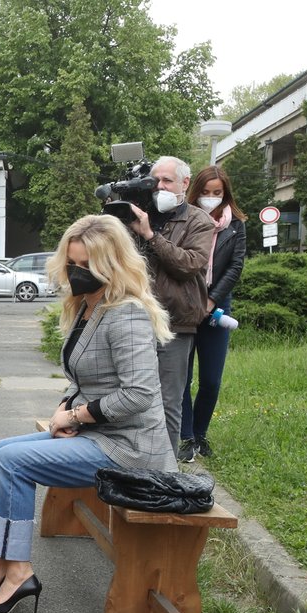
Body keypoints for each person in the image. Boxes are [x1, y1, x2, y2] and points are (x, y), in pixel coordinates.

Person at [0, 215, 176, 613]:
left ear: (110, 266)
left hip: (129, 449)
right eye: (72, 264)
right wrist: (68, 407)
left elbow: (140, 393)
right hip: (98, 434)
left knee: (13, 460)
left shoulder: (126, 313)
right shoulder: (88, 307)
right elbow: (90, 377)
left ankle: (19, 570)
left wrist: (78, 415)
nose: (76, 273)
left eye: (84, 267)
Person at [125, 155, 214, 455]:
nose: (159, 187)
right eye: (155, 181)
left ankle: (165, 472)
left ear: (185, 184)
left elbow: (190, 265)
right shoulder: (140, 214)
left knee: (168, 401)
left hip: (175, 323)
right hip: (135, 319)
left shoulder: (199, 221)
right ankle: (134, 462)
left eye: (167, 181)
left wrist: (150, 235)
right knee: (131, 395)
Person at [179, 165, 247, 462]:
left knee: (211, 380)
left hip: (217, 307)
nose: (210, 198)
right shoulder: (184, 218)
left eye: (216, 193)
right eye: (205, 192)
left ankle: (200, 433)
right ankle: (185, 437)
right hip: (184, 306)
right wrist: (194, 300)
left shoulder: (237, 225)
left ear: (225, 193)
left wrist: (212, 300)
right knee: (181, 377)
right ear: (196, 193)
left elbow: (235, 266)